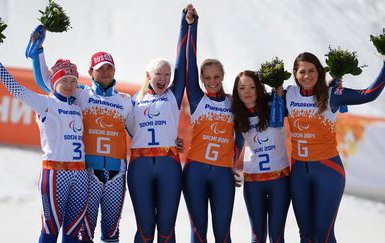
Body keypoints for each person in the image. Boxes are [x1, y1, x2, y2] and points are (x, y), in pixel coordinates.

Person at [30, 31, 133, 242]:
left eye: (109, 67)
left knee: (112, 233)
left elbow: (138, 131)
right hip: (88, 173)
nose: (105, 72)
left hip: (117, 173)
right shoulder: (81, 93)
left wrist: (171, 141)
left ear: (114, 70)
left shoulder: (125, 100)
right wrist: (38, 51)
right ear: (91, 72)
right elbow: (48, 82)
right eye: (100, 68)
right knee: (84, 233)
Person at [287, 52, 385, 243]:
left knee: (324, 233)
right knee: (305, 234)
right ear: (295, 74)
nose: (307, 76)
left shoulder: (332, 95)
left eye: (312, 71)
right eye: (302, 71)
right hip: (298, 173)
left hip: (328, 171)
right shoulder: (288, 93)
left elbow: (368, 94)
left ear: (320, 72)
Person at [0, 47, 89, 243]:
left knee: (74, 233)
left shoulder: (78, 104)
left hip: (80, 174)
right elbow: (16, 89)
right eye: (64, 80)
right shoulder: (45, 103)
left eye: (73, 80)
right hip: (55, 174)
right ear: (55, 82)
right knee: (50, 231)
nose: (69, 84)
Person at [124, 5, 196, 242]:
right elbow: (128, 127)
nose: (164, 79)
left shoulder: (173, 95)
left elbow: (182, 62)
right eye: (159, 74)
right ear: (148, 75)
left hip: (169, 165)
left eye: (167, 75)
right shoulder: (133, 100)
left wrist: (188, 24)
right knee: (144, 229)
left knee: (166, 229)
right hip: (139, 167)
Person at [183, 8, 244, 242]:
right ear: (201, 80)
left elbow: (239, 137)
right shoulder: (198, 98)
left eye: (216, 77)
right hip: (195, 171)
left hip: (222, 174)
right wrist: (191, 25)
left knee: (223, 235)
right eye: (207, 78)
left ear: (223, 76)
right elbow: (189, 61)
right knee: (198, 234)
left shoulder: (233, 102)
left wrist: (231, 161)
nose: (212, 82)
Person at [231, 70, 290, 243]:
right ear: (237, 91)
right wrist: (228, 167)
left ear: (259, 88)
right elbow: (237, 145)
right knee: (257, 237)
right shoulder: (238, 115)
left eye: (251, 86)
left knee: (277, 237)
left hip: (280, 180)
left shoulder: (274, 103)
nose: (247, 91)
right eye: (242, 88)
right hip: (253, 182)